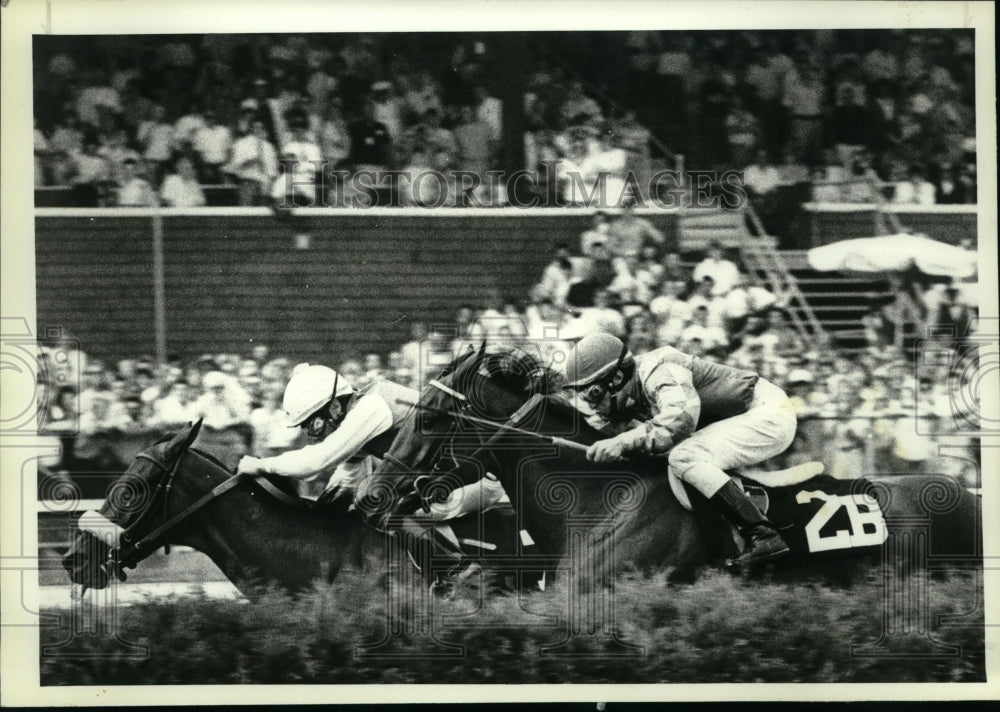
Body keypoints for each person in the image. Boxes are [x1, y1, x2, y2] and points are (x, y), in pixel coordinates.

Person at [560, 333, 795, 566]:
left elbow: (681, 420)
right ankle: (724, 546)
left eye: (594, 393)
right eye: (584, 395)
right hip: (744, 417)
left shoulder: (660, 369)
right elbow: (591, 423)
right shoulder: (628, 390)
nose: (592, 404)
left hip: (769, 413)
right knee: (674, 463)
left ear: (618, 377)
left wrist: (622, 441)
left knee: (683, 456)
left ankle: (764, 534)